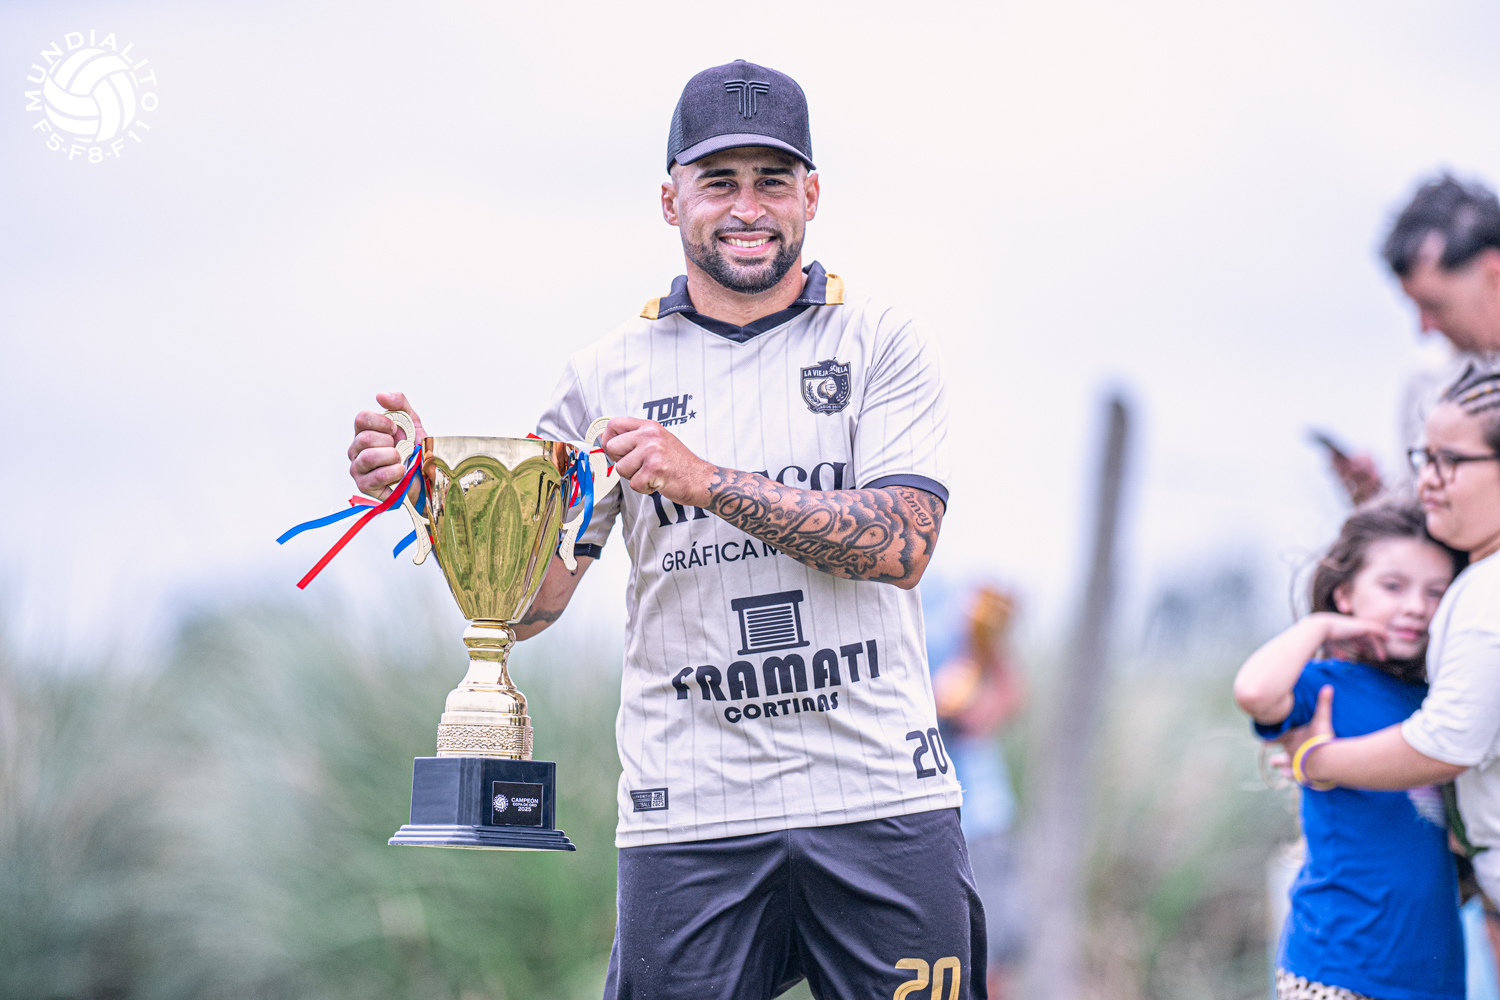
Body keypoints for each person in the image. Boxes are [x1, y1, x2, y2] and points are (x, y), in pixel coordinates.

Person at [347, 60, 987, 1000]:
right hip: (687, 813)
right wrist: (435, 495)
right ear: (669, 198)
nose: (747, 208)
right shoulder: (604, 376)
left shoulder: (880, 340)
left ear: (811, 196)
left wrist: (705, 481)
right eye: (718, 181)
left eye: (772, 181)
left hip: (881, 798)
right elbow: (528, 608)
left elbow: (903, 544)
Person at [1286, 364, 1500, 913]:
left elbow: (1445, 743)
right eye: (1425, 458)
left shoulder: (1486, 596)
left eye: (1450, 461)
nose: (1427, 479)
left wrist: (1317, 760)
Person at [1234, 499, 1465, 1000]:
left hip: (1434, 977)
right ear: (1344, 594)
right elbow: (1254, 692)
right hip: (1336, 969)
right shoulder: (1326, 686)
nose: (1416, 606)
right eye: (1393, 586)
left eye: (1436, 592)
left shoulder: (1443, 702)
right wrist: (1318, 627)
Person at [1325, 175, 1500, 504]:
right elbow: (1418, 516)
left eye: (1434, 306)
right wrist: (1373, 502)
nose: (1424, 328)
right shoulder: (1425, 380)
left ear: (1494, 274)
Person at [931, 586, 1027, 999]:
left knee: (992, 956)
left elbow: (1010, 695)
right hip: (922, 820)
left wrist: (971, 711)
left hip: (981, 817)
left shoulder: (960, 600)